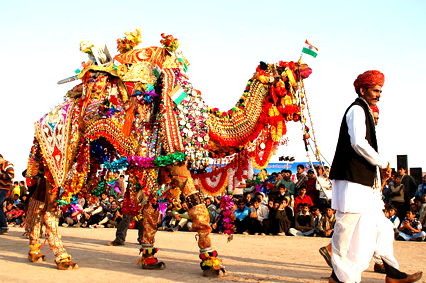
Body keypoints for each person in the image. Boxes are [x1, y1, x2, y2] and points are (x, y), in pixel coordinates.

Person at [327, 70, 421, 283]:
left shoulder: (366, 112)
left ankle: (392, 273)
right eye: (376, 90)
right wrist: (382, 162)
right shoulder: (357, 110)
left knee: (382, 228)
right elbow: (358, 143)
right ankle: (341, 278)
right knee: (346, 231)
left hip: (364, 184)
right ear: (363, 89)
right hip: (351, 182)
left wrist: (380, 170)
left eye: (381, 91)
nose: (379, 94)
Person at [0, 154, 14, 235]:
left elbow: (11, 175)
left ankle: (4, 226)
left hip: (3, 188)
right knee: (0, 207)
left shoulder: (7, 164)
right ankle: (2, 225)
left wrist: (0, 176)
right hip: (1, 188)